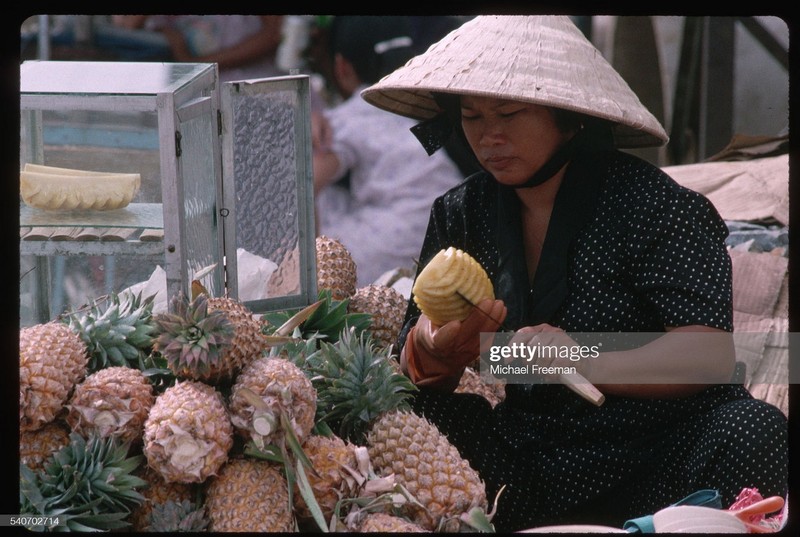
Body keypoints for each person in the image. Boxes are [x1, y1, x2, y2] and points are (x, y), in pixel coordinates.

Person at [360, 16, 788, 532]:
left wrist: (574, 355)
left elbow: (707, 354)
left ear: (569, 118)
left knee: (753, 428)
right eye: (471, 117)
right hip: (531, 462)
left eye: (510, 113)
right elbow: (418, 366)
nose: (489, 136)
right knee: (410, 421)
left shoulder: (656, 207)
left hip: (659, 455)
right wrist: (433, 350)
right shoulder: (462, 213)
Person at [312, 16, 464, 286]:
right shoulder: (426, 104)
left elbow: (308, 181)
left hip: (381, 251)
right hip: (450, 237)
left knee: (325, 200)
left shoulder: (348, 117)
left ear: (342, 68)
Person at [112, 15, 286, 82]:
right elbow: (125, 28)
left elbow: (275, 34)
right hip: (192, 101)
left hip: (254, 87)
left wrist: (197, 65)